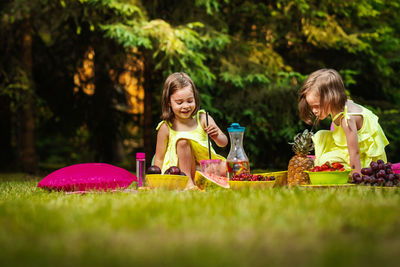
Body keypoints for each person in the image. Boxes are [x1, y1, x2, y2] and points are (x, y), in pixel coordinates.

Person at [298, 68, 389, 174]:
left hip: (363, 157)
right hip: (346, 145)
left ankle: (336, 166)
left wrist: (356, 175)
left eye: (317, 106)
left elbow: (354, 152)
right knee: (320, 136)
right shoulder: (338, 105)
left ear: (332, 98)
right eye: (311, 107)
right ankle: (324, 161)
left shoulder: (347, 118)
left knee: (325, 160)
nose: (314, 111)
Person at [154, 72, 228, 188]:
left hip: (203, 169)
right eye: (179, 102)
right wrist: (156, 180)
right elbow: (159, 158)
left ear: (195, 98)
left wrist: (216, 136)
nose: (186, 106)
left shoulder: (203, 119)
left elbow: (223, 143)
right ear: (169, 102)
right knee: (183, 142)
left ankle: (201, 181)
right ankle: (189, 183)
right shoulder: (166, 127)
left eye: (190, 101)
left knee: (228, 167)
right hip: (179, 173)